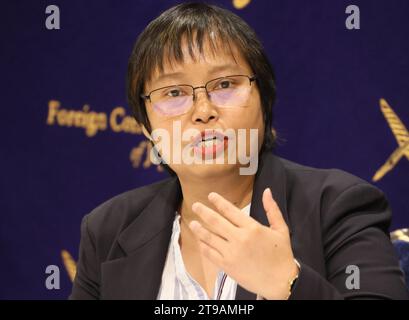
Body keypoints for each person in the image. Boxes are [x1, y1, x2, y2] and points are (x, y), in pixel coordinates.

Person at [69, 2, 408, 300]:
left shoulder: (337, 207)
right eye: (174, 93)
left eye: (225, 85)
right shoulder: (108, 230)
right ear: (146, 127)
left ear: (265, 101)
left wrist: (287, 284)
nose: (202, 110)